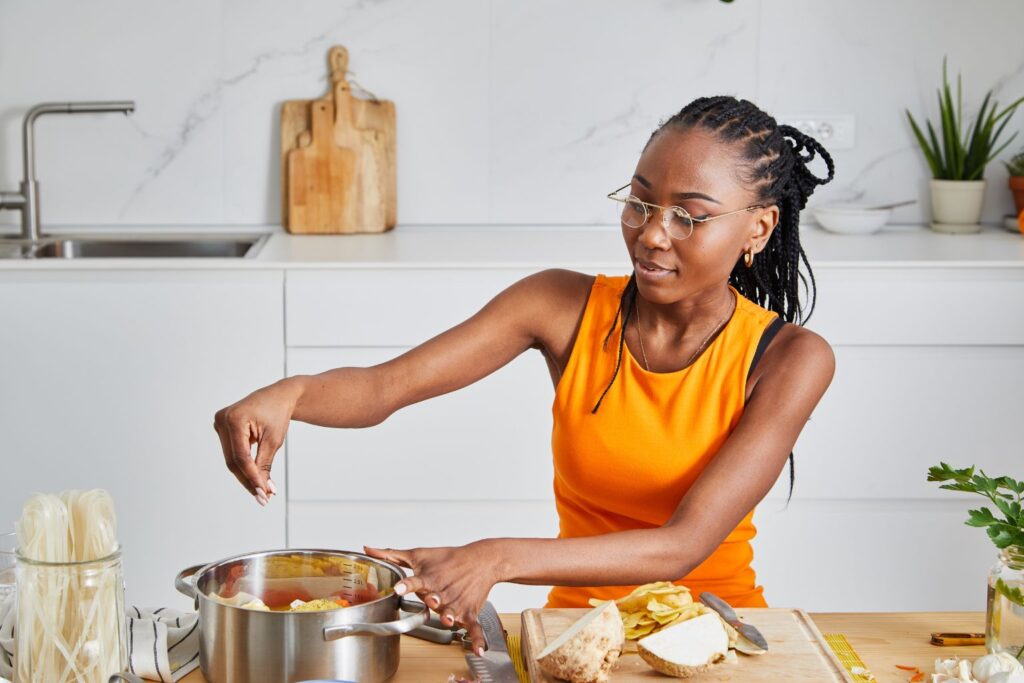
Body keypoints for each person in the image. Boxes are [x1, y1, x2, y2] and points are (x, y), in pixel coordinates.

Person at [214, 95, 836, 656]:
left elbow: (683, 544)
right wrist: (289, 394)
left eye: (690, 217)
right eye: (641, 201)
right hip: (578, 633)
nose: (651, 234)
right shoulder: (559, 305)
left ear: (758, 226)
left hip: (718, 636)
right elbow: (384, 388)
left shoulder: (790, 358)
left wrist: (495, 559)